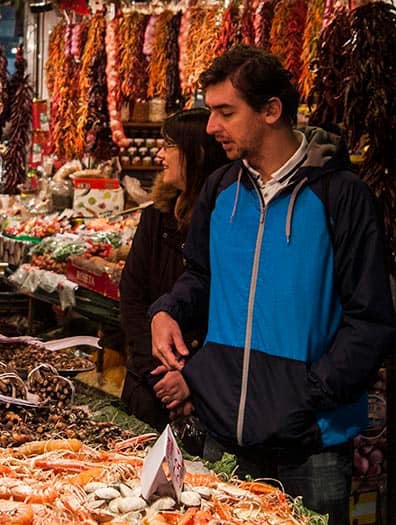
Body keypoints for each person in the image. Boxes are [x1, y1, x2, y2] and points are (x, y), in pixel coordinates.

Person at [149, 45, 395, 523]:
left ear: (270, 111)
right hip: (225, 438)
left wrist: (307, 396)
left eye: (225, 112)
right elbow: (200, 276)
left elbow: (372, 321)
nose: (210, 127)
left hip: (311, 447)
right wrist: (167, 310)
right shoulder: (221, 190)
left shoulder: (341, 197)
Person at [119, 108, 227, 432]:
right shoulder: (157, 216)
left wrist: (191, 379)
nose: (160, 154)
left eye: (169, 145)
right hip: (148, 387)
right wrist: (159, 373)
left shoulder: (225, 220)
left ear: (198, 154)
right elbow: (132, 295)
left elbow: (224, 311)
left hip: (208, 399)